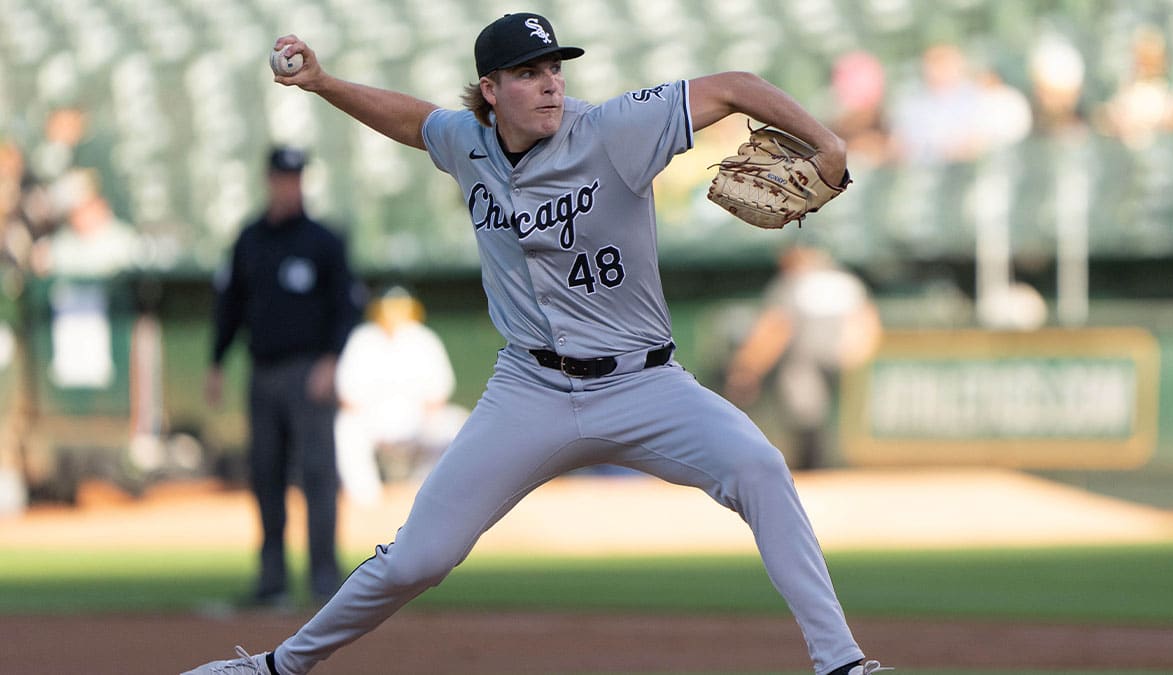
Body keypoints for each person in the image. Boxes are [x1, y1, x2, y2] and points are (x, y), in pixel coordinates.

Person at [184, 12, 885, 675]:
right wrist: (324, 83)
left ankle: (841, 661)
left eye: (555, 67)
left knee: (760, 467)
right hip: (531, 391)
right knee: (415, 560)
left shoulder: (616, 129)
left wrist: (826, 141)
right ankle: (276, 665)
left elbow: (738, 88)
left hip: (644, 383)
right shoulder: (468, 141)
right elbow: (412, 120)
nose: (551, 81)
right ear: (491, 91)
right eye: (528, 72)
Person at [204, 146, 363, 610]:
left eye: (295, 178)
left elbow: (346, 308)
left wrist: (331, 362)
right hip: (263, 371)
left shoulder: (323, 241)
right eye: (281, 177)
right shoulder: (250, 239)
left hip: (308, 370)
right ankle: (271, 580)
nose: (288, 186)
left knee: (317, 475)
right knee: (266, 474)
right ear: (268, 180)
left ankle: (323, 580)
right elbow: (230, 305)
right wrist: (216, 362)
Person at [724, 246, 881, 471]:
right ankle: (829, 466)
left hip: (805, 359)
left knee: (805, 416)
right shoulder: (846, 281)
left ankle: (814, 468)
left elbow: (776, 328)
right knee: (827, 418)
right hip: (841, 358)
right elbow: (866, 322)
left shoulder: (793, 283)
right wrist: (857, 351)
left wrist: (748, 367)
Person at [334, 286, 467, 505]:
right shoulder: (363, 338)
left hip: (415, 421)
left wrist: (423, 421)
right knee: (344, 426)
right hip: (372, 422)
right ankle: (366, 500)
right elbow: (347, 396)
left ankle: (423, 492)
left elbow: (437, 397)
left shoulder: (423, 338)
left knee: (456, 425)